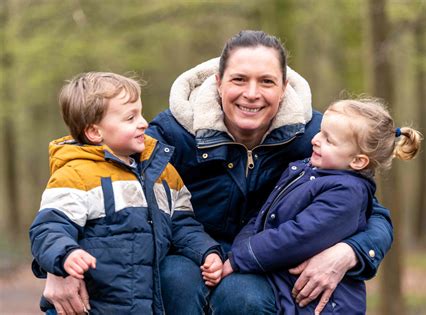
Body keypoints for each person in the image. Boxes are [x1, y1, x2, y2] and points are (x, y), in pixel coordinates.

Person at [41, 30, 394, 315]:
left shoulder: (315, 137)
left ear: (284, 87)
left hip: (266, 266)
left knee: (243, 297)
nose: (251, 94)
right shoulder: (170, 135)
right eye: (239, 79)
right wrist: (56, 266)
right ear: (219, 82)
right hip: (188, 254)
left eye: (267, 82)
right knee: (174, 279)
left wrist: (351, 252)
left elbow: (369, 210)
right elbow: (91, 171)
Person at [30, 72, 224, 314]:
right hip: (91, 304)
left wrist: (207, 252)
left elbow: (183, 223)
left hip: (142, 302)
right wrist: (66, 254)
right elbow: (48, 227)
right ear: (94, 132)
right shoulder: (75, 175)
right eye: (130, 117)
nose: (143, 123)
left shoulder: (163, 172)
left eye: (140, 113)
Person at [223, 98, 423, 314]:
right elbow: (264, 214)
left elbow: (298, 236)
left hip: (324, 306)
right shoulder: (306, 170)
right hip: (288, 291)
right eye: (320, 132)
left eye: (329, 140)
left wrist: (240, 258)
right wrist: (239, 250)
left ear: (357, 161)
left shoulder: (346, 193)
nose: (315, 140)